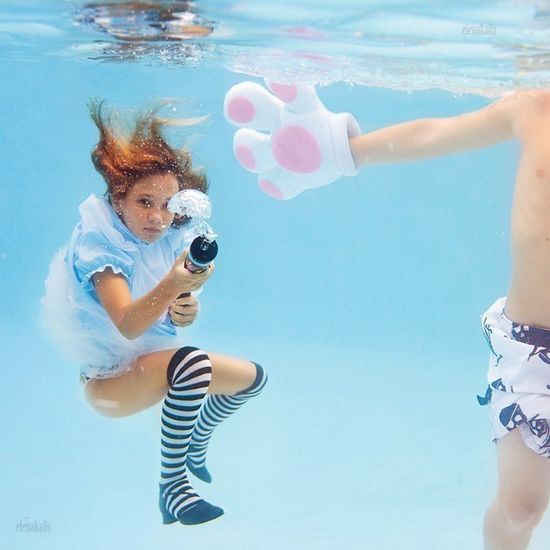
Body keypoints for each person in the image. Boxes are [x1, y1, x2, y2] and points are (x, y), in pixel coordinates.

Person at [224, 81, 550, 549]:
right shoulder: (536, 107)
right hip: (533, 349)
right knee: (521, 509)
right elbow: (436, 133)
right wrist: (343, 151)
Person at [41, 100, 268, 526]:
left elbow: (170, 317)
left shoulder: (163, 237)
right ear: (118, 197)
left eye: (167, 205)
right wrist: (173, 285)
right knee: (192, 364)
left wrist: (184, 307)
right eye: (145, 202)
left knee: (252, 379)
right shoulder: (101, 243)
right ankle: (172, 486)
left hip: (148, 366)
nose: (158, 218)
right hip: (108, 384)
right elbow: (128, 324)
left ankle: (195, 442)